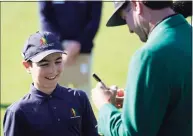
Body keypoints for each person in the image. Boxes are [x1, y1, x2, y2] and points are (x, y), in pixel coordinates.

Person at [91, 1, 192, 136]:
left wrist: (104, 106)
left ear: (136, 5)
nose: (130, 29)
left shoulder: (149, 56)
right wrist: (140, 98)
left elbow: (131, 133)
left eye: (125, 17)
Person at [3, 31, 98, 136]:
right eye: (44, 64)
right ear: (27, 66)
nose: (52, 70)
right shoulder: (18, 112)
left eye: (58, 62)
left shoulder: (79, 98)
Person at [38, 1, 102, 99]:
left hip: (83, 51)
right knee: (55, 98)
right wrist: (59, 44)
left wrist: (79, 43)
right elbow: (45, 15)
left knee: (82, 97)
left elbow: (94, 19)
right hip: (55, 52)